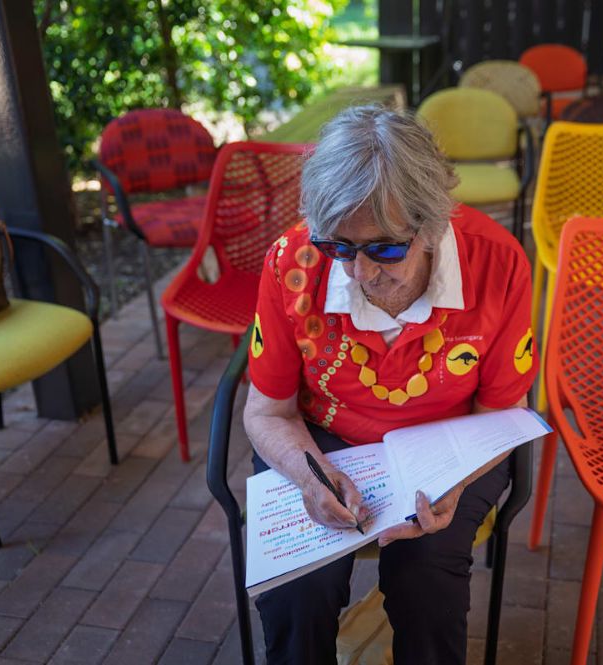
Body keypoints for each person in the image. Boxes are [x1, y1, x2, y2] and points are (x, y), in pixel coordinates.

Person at [243, 105, 537, 665]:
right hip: (324, 441)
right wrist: (309, 476)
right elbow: (267, 412)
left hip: (451, 443)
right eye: (338, 248)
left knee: (427, 580)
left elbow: (503, 410)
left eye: (384, 248)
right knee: (297, 590)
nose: (360, 273)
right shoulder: (292, 263)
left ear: (433, 224)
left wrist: (455, 481)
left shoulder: (497, 262)